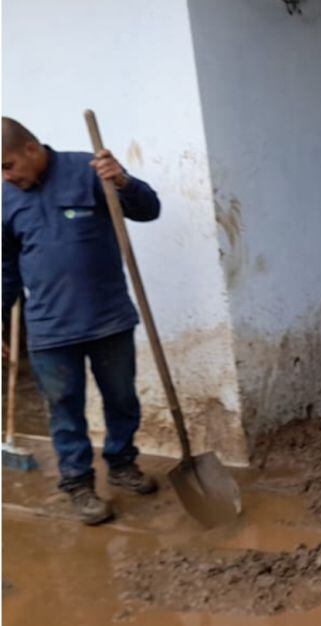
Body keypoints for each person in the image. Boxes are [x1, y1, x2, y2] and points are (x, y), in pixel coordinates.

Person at [2, 117, 161, 525]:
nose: (5, 176)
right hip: (50, 330)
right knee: (64, 408)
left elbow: (148, 210)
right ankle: (78, 484)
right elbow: (5, 269)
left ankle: (122, 464)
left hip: (108, 319)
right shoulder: (5, 198)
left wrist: (123, 180)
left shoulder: (89, 171)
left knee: (121, 398)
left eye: (7, 165)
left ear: (31, 150)